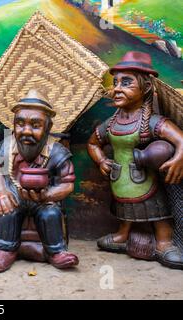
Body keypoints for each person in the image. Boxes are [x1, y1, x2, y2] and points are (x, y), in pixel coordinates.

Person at [87, 51, 183, 269]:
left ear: (146, 87)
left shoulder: (153, 122)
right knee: (125, 210)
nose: (117, 88)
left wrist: (179, 158)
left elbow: (181, 140)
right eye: (116, 82)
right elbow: (93, 143)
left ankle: (164, 242)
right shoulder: (110, 124)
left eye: (126, 83)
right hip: (120, 180)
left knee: (157, 212)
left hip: (147, 182)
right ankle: (123, 235)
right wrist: (101, 160)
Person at [0, 89, 79, 272]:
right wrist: (0, 191)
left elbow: (67, 184)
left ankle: (56, 252)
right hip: (14, 192)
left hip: (43, 196)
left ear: (48, 127)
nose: (26, 131)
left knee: (50, 214)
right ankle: (6, 249)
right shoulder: (6, 146)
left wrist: (48, 195)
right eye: (20, 124)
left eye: (35, 125)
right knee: (7, 209)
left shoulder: (56, 151)